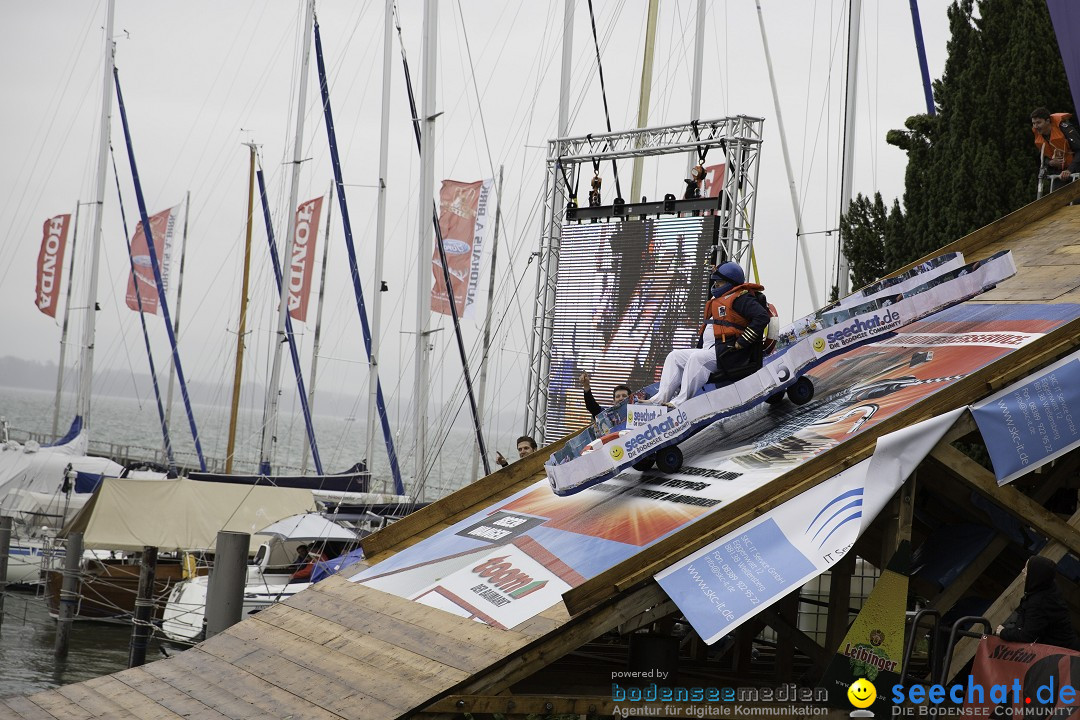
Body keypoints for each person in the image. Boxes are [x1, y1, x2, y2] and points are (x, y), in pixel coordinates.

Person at [648, 261, 771, 406]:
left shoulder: (741, 298)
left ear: (730, 282)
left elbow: (762, 317)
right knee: (674, 356)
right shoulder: (719, 299)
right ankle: (659, 400)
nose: (716, 285)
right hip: (712, 350)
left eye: (719, 282)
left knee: (697, 358)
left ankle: (679, 403)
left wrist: (743, 341)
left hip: (730, 352)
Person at [996, 556, 1079, 649]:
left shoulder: (1039, 602)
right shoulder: (1047, 588)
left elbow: (1027, 636)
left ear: (1035, 574)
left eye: (1027, 569)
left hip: (1062, 654)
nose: (1023, 571)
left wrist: (1003, 632)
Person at [1031, 107, 1080, 193]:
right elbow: (1041, 158)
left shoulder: (1065, 128)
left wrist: (1069, 170)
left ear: (1048, 121)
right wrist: (1050, 162)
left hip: (1075, 170)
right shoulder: (1038, 135)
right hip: (1059, 173)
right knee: (1056, 201)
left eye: (1038, 123)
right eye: (1034, 123)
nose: (1036, 126)